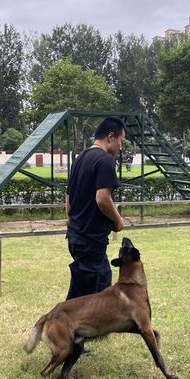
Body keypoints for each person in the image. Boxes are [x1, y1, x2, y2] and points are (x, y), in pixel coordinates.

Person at [65, 117, 126, 300]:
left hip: (76, 237)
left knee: (82, 291)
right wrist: (118, 220)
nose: (121, 147)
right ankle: (57, 325)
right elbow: (102, 199)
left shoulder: (80, 158)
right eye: (121, 142)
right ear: (111, 137)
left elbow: (68, 198)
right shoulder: (105, 160)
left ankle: (60, 325)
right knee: (97, 296)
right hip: (90, 240)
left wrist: (73, 222)